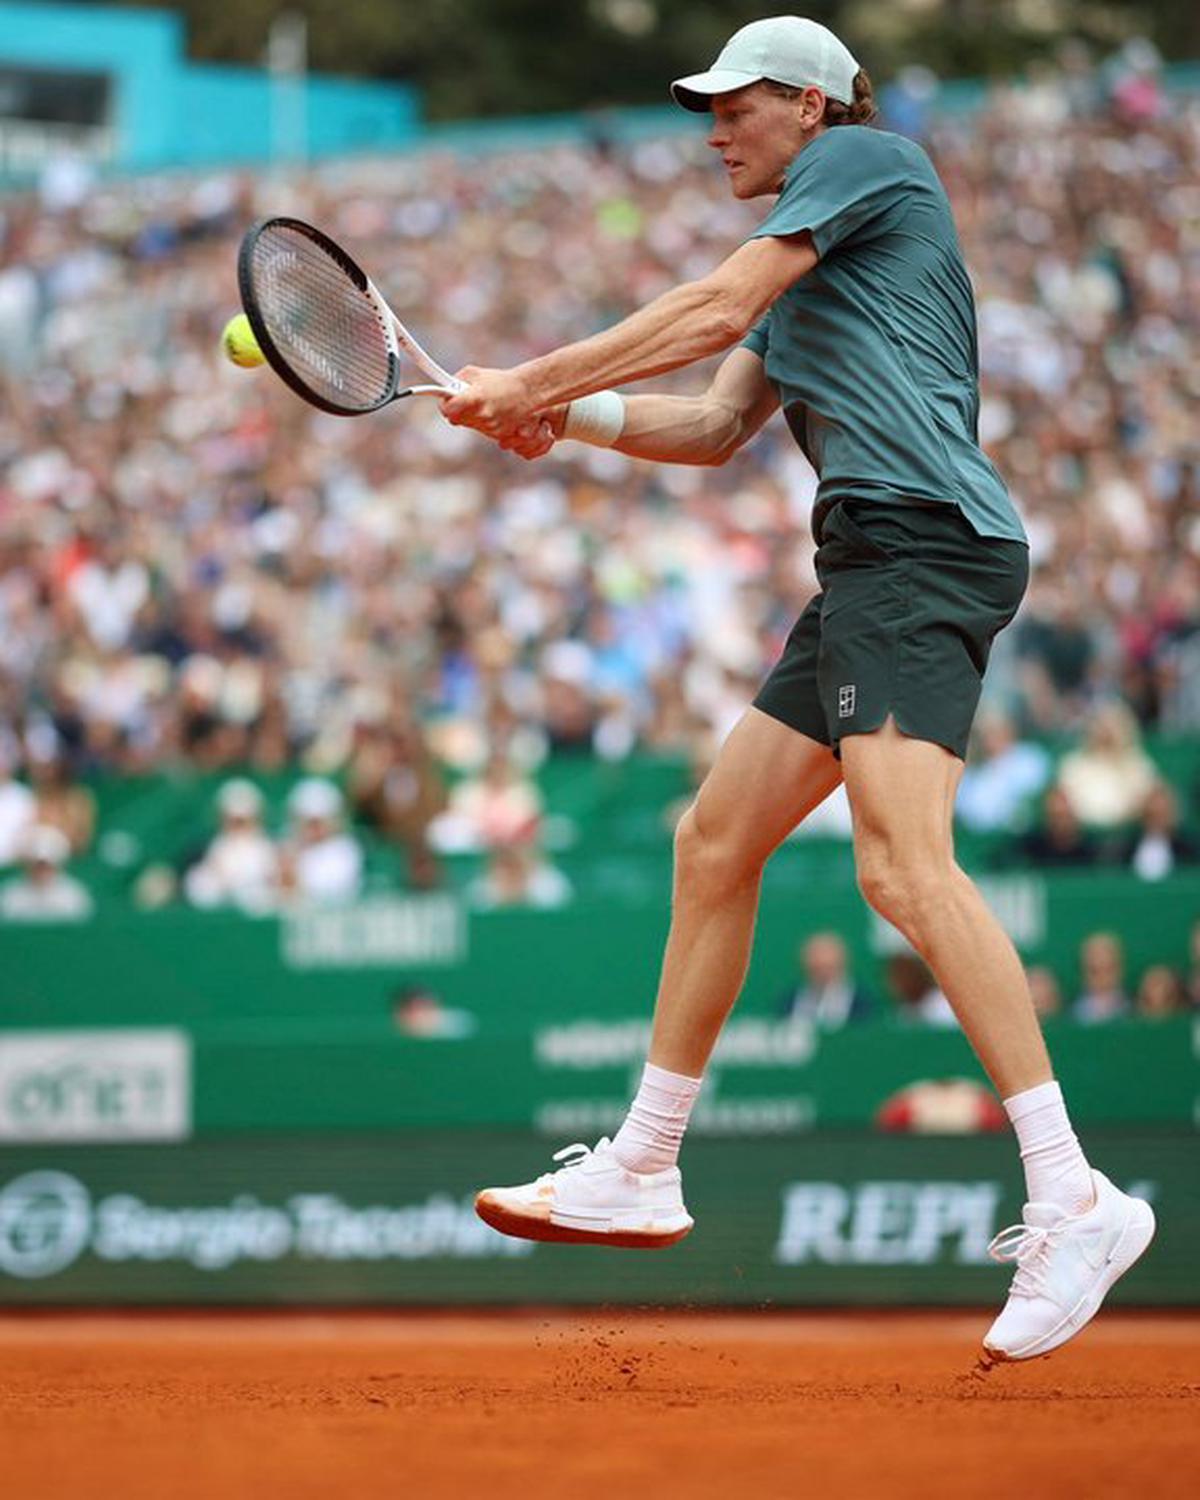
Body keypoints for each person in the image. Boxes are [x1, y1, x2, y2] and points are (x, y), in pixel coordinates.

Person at [449, 16, 1154, 1360]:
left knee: (903, 870)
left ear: (815, 108)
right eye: (707, 110)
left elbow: (712, 306)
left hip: (922, 546)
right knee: (715, 841)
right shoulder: (812, 263)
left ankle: (1075, 1195)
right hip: (867, 564)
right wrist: (558, 417)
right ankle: (645, 1162)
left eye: (739, 106)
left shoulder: (870, 161)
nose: (715, 131)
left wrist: (532, 375)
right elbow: (715, 424)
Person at [776, 931, 873, 1027]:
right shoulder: (788, 1003)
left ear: (843, 966)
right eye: (816, 969)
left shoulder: (864, 1005)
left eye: (829, 968)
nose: (823, 975)